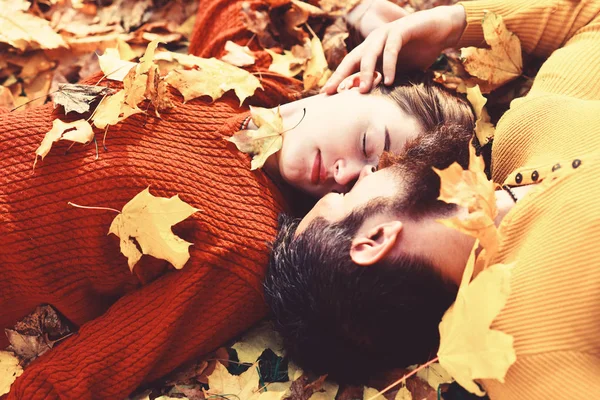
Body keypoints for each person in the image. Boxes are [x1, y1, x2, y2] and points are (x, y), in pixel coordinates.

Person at [0, 0, 473, 398]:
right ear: (354, 82)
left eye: (357, 191)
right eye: (369, 143)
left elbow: (84, 374)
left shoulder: (242, 248)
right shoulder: (250, 82)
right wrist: (364, 20)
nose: (343, 173)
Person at [265, 0, 600, 397]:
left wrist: (451, 23)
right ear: (374, 240)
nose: (368, 172)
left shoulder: (523, 134)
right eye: (347, 194)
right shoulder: (527, 353)